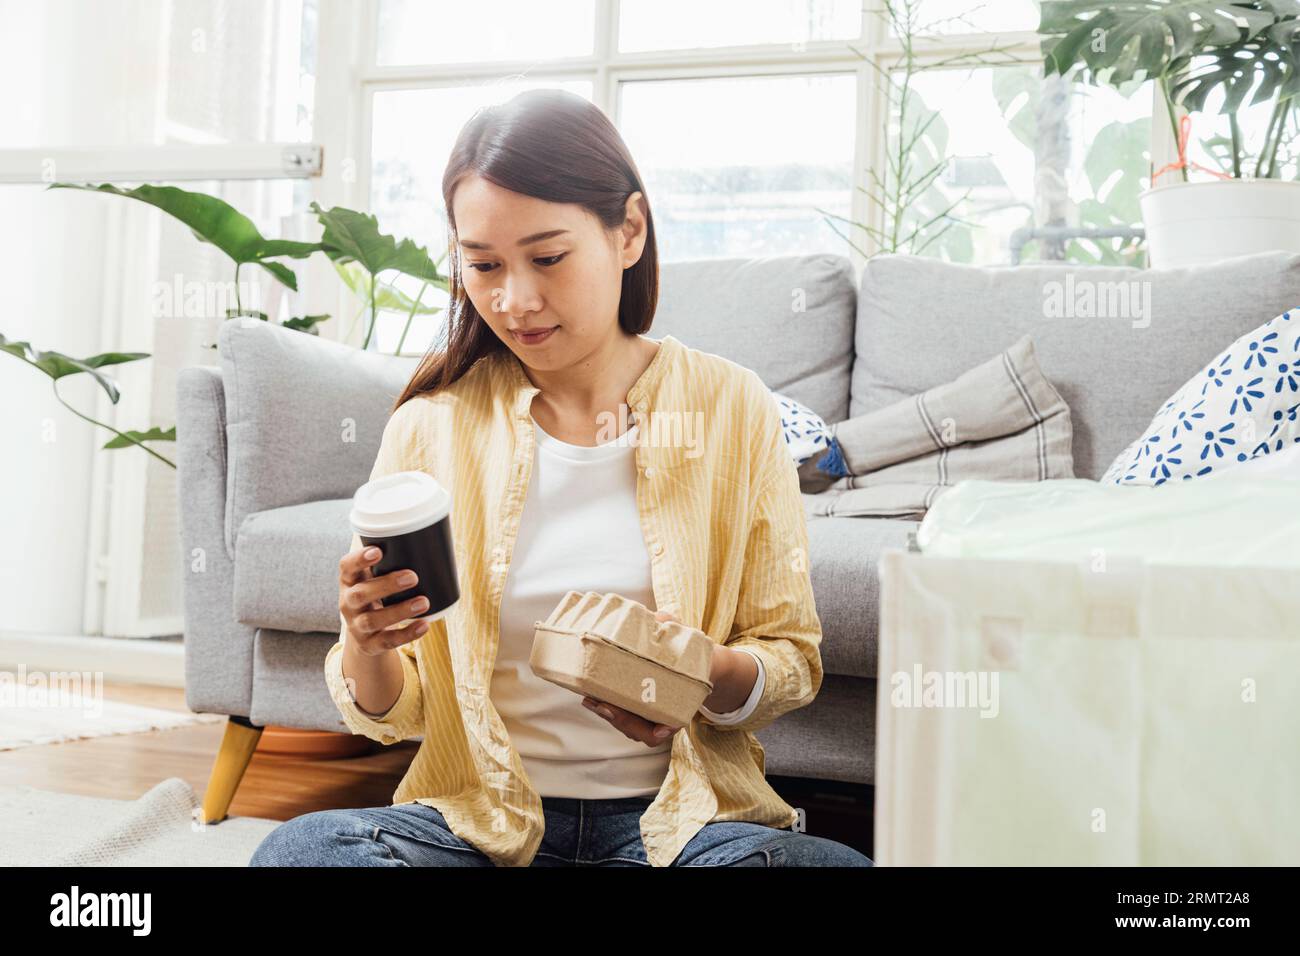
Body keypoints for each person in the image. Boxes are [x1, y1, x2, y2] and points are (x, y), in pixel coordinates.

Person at [250, 89, 871, 868]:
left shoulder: (730, 405)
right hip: (479, 827)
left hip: (678, 831)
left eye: (547, 258)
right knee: (305, 853)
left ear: (629, 231)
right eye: (482, 265)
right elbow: (392, 712)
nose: (516, 300)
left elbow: (789, 661)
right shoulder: (431, 425)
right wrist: (365, 642)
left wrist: (698, 672)